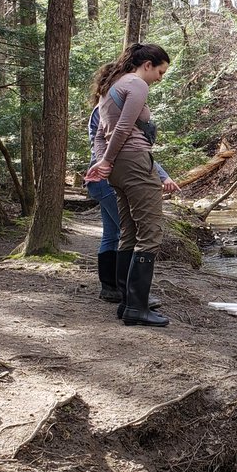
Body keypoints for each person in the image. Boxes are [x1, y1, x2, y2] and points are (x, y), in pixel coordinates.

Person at [84, 42, 171, 327]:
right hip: (133, 162)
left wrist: (103, 162)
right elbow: (123, 128)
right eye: (160, 71)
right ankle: (137, 307)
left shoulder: (111, 86)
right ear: (147, 65)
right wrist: (105, 161)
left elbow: (99, 133)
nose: (160, 78)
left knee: (129, 232)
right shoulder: (136, 84)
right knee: (150, 233)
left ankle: (126, 303)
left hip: (119, 169)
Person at [86, 90, 178, 304]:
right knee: (133, 234)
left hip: (102, 178)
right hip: (108, 177)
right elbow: (126, 151)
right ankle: (134, 293)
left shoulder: (104, 109)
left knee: (112, 233)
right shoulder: (108, 110)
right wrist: (162, 176)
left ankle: (111, 288)